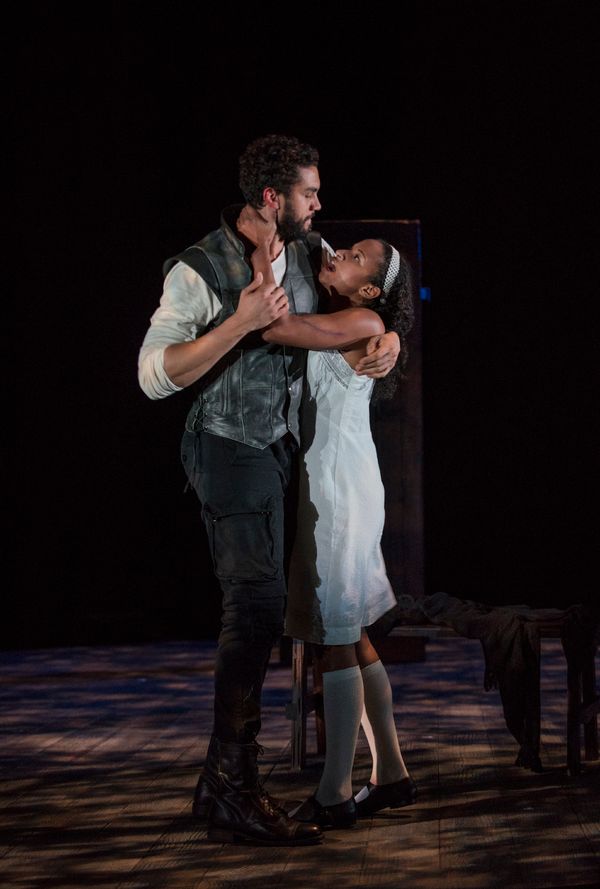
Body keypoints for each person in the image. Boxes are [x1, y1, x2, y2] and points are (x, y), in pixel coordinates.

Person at [137, 134, 400, 846]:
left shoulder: (311, 253)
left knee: (275, 607)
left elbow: (366, 305)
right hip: (223, 442)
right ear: (270, 199)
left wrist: (392, 338)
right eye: (310, 192)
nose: (320, 204)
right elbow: (154, 374)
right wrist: (239, 323)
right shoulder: (199, 269)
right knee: (254, 599)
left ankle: (224, 780)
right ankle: (232, 782)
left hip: (283, 451)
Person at [246, 223, 417, 828]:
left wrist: (264, 266)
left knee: (334, 637)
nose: (342, 254)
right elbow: (315, 240)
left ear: (369, 291)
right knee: (353, 634)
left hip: (341, 494)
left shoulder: (365, 326)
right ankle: (391, 774)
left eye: (357, 258)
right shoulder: (363, 313)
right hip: (340, 484)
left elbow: (275, 326)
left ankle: (334, 792)